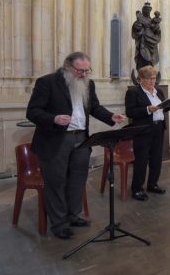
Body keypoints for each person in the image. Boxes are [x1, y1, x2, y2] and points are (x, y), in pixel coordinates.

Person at [26, 52, 126, 240]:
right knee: (56, 182)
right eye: (80, 71)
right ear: (67, 67)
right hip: (56, 140)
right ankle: (59, 224)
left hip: (81, 139)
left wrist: (110, 117)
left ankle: (73, 216)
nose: (83, 74)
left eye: (87, 70)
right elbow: (32, 112)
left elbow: (94, 107)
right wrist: (53, 118)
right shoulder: (47, 82)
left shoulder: (89, 84)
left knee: (77, 181)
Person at [125, 65, 170, 201]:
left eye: (154, 78)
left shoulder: (159, 92)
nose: (152, 81)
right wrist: (147, 110)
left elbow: (162, 109)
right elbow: (130, 112)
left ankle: (152, 184)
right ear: (141, 79)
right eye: (149, 78)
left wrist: (168, 105)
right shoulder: (134, 92)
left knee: (156, 159)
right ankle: (137, 189)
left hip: (158, 129)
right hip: (143, 130)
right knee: (141, 160)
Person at [131, 2, 162, 69]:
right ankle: (141, 76)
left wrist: (158, 30)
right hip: (143, 43)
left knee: (150, 62)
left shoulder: (152, 20)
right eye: (146, 9)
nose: (147, 11)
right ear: (143, 10)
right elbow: (136, 29)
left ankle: (150, 75)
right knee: (142, 61)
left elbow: (157, 32)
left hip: (151, 44)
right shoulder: (140, 19)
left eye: (148, 10)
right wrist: (138, 26)